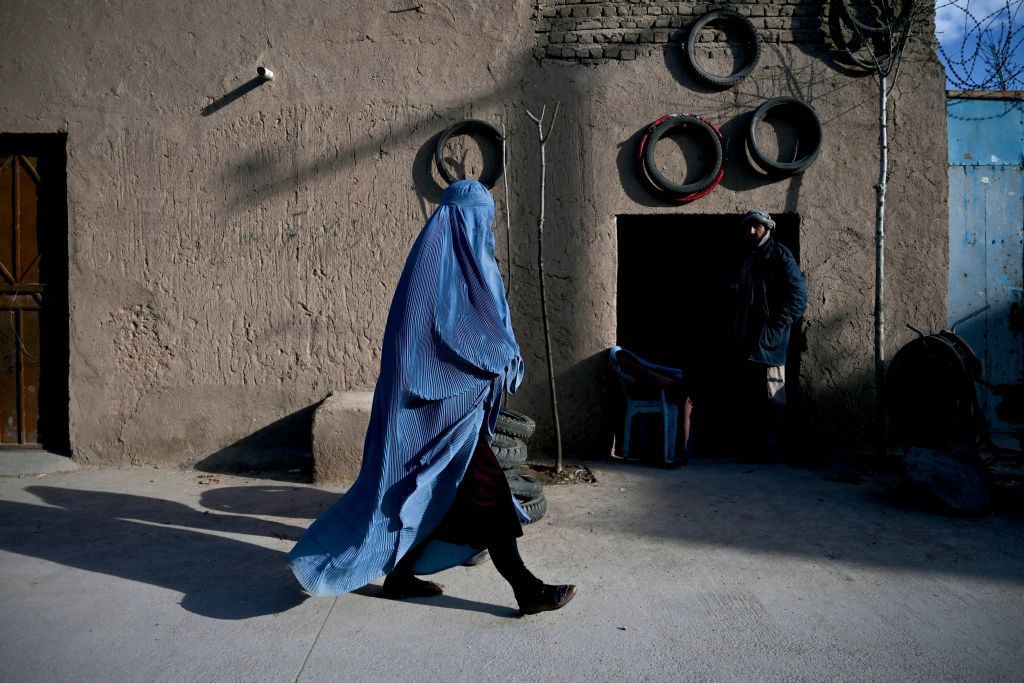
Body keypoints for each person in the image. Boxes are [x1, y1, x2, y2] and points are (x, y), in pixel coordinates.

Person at [285, 179, 576, 616]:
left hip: (460, 415)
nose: (485, 231)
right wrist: (493, 358)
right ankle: (526, 588)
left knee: (438, 494)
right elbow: (423, 349)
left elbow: (486, 328)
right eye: (478, 221)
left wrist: (499, 357)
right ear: (459, 221)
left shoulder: (474, 266)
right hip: (426, 416)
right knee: (487, 490)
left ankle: (400, 578)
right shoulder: (433, 270)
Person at [733, 209, 807, 458]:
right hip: (750, 340)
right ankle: (757, 448)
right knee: (753, 395)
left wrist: (776, 327)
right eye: (749, 227)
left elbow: (798, 298)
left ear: (768, 228)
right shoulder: (751, 257)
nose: (751, 231)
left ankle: (773, 449)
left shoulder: (779, 255)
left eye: (757, 226)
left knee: (773, 395)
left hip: (769, 342)